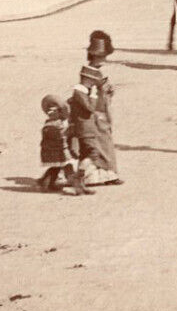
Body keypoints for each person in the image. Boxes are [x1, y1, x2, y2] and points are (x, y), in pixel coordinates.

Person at [72, 31, 120, 184]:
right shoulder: (89, 73)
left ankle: (106, 175)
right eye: (102, 56)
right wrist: (93, 102)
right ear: (95, 56)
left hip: (100, 112)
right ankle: (95, 176)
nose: (105, 59)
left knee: (103, 143)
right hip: (95, 114)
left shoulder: (95, 72)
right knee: (100, 144)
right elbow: (82, 93)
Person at [41, 95, 89, 196]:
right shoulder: (51, 125)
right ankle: (78, 188)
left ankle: (46, 182)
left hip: (57, 151)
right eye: (50, 112)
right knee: (68, 169)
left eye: (55, 111)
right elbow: (58, 138)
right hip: (58, 152)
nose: (52, 113)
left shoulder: (59, 123)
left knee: (55, 169)